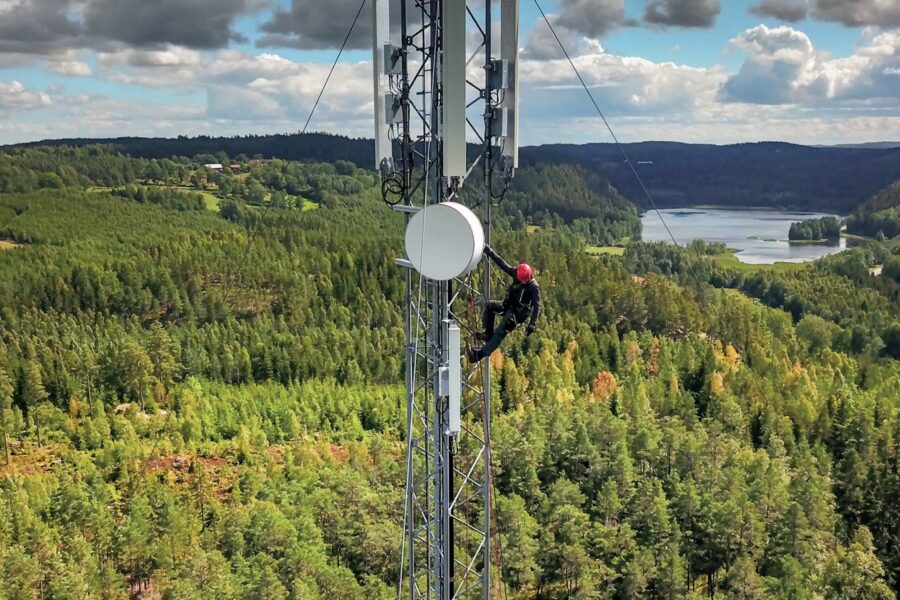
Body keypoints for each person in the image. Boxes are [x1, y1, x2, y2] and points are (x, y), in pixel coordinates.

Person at [467, 245, 541, 362]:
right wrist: (490, 252)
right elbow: (502, 264)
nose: (521, 282)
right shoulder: (516, 273)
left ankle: (478, 355)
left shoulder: (533, 287)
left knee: (500, 331)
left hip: (517, 315)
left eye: (523, 281)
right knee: (490, 306)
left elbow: (537, 306)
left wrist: (532, 324)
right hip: (508, 306)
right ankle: (487, 334)